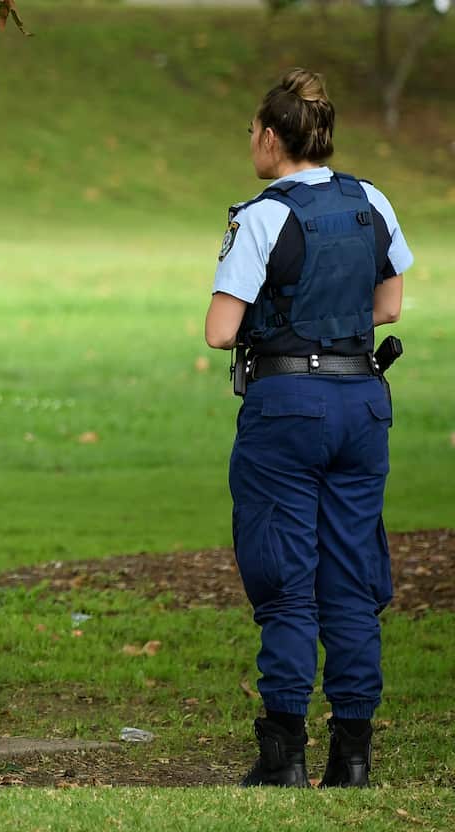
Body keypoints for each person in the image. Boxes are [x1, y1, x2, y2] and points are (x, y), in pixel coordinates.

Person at [204, 70, 411, 788]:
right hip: (363, 401)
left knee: (286, 578)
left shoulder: (262, 217)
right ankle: (352, 756)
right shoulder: (370, 200)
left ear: (271, 137)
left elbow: (219, 329)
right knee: (352, 579)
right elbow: (389, 305)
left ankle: (283, 754)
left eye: (252, 132)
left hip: (288, 406)